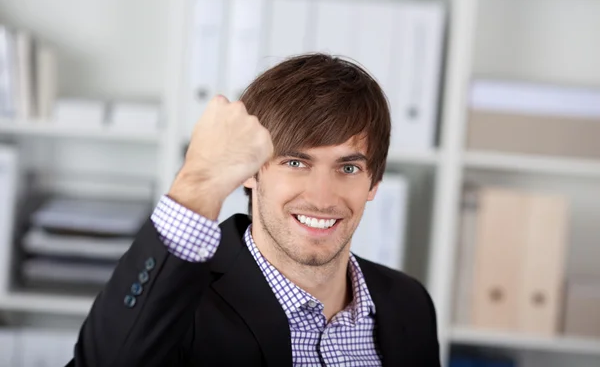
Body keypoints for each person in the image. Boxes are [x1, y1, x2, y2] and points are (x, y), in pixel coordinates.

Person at [68, 53, 440, 366]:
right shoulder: (180, 305)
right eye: (296, 163)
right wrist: (198, 182)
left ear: (374, 182)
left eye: (348, 168)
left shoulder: (409, 305)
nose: (323, 197)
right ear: (251, 170)